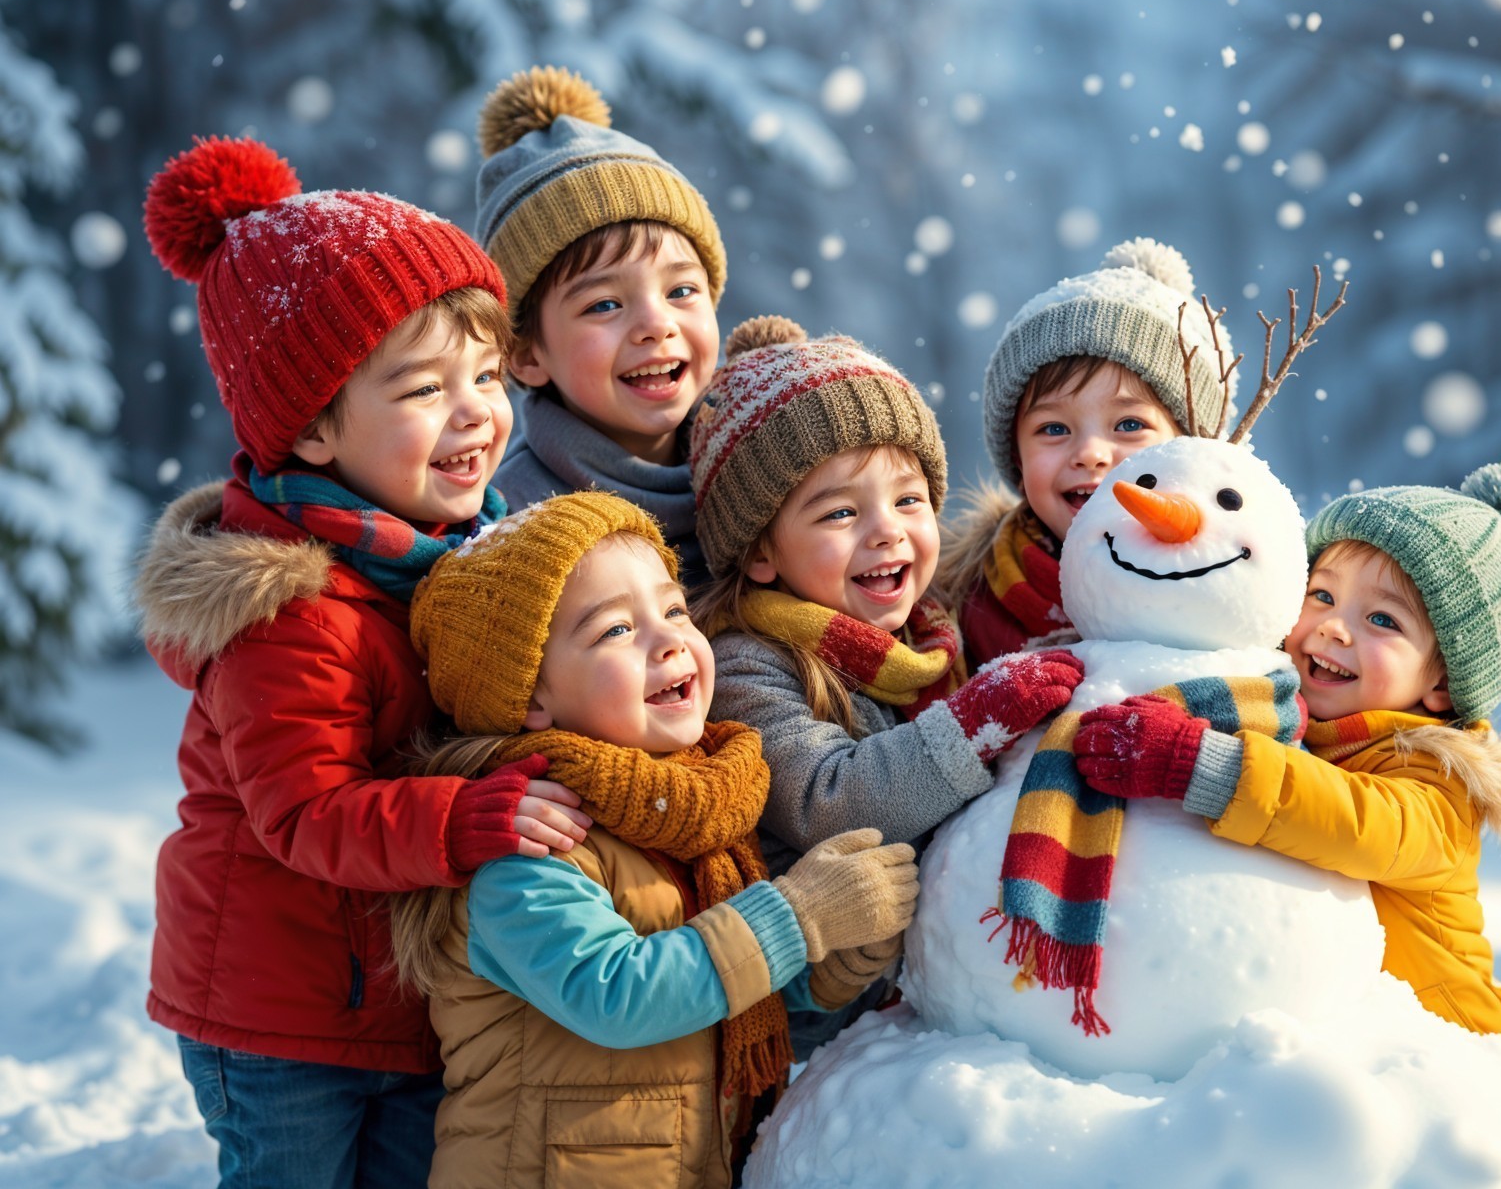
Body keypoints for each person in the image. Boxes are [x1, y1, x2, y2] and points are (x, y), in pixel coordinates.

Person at [135, 136, 586, 1187]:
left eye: (485, 372)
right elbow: (303, 811)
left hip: (393, 999)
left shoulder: (447, 564)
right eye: (425, 388)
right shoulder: (292, 615)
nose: (476, 408)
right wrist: (459, 820)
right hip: (279, 1017)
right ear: (316, 433)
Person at [396, 492, 920, 1187]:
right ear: (530, 698)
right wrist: (797, 916)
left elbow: (725, 1003)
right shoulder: (530, 841)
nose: (669, 639)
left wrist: (835, 954)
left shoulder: (699, 822)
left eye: (674, 610)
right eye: (615, 630)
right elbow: (621, 998)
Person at [1072, 463, 1501, 1062]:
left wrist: (1201, 764)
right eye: (1323, 595)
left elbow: (1358, 822)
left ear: (1441, 688)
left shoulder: (1442, 788)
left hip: (1457, 1053)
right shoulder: (1282, 715)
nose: (1334, 627)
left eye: (1383, 620)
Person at [689, 314, 1084, 1054]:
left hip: (929, 995)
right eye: (841, 511)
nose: (887, 531)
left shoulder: (931, 638)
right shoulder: (748, 665)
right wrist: (975, 723)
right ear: (761, 552)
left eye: (907, 499)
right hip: (822, 1020)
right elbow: (829, 802)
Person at [474, 65, 727, 579]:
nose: (656, 324)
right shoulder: (515, 525)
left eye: (681, 291)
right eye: (604, 305)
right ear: (526, 353)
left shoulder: (762, 465)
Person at [939, 238, 1237, 670]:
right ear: (1018, 461)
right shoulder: (964, 608)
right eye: (1054, 428)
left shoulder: (1243, 583)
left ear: (1193, 447)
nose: (1091, 454)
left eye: (1130, 425)